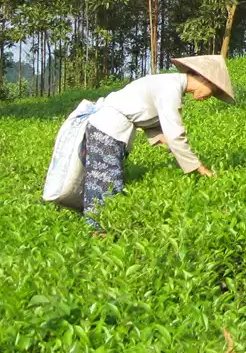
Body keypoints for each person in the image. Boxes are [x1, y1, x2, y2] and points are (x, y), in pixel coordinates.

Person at [79, 55, 234, 228]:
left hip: (109, 129)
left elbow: (155, 127)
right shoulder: (170, 89)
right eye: (213, 90)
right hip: (107, 129)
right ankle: (98, 229)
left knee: (105, 178)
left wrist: (177, 151)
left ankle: (97, 226)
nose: (210, 97)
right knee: (106, 180)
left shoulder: (170, 84)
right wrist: (200, 168)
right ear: (204, 79)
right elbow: (174, 134)